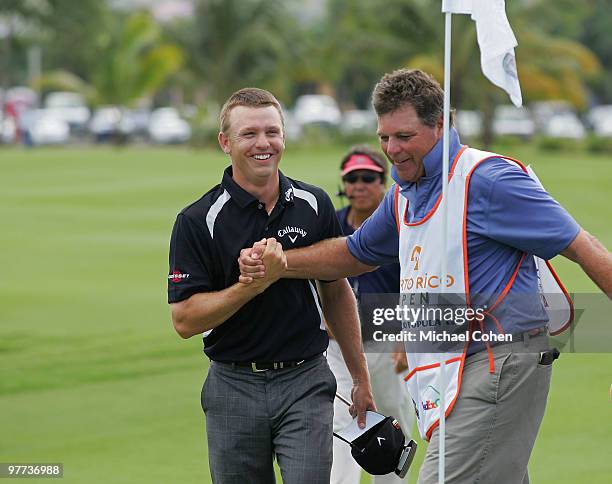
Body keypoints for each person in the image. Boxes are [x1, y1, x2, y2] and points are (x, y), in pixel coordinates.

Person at [239, 69, 612, 483]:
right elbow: (354, 252)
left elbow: (584, 246)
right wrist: (283, 264)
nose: (392, 150)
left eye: (404, 136)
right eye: (384, 137)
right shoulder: (403, 191)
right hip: (453, 364)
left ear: (439, 126)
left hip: (501, 359)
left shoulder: (488, 179)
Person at [167, 87, 375, 484]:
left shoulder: (314, 204)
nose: (263, 143)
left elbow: (336, 291)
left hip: (306, 380)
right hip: (233, 385)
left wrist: (360, 380)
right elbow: (184, 320)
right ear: (225, 143)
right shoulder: (197, 220)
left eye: (272, 132)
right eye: (249, 134)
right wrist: (249, 286)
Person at [329, 145, 415, 484]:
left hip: (388, 341)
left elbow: (416, 285)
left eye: (369, 177)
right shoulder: (331, 224)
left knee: (393, 421)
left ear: (384, 182)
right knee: (340, 425)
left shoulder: (401, 226)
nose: (359, 185)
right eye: (352, 178)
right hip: (338, 345)